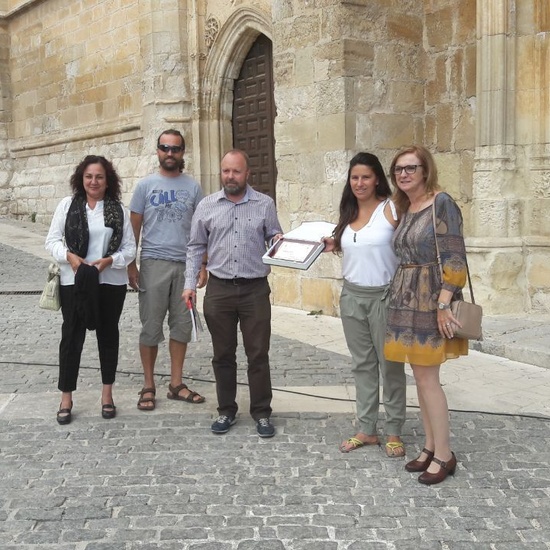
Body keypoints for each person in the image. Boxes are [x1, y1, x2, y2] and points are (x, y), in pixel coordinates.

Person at [182, 149, 283, 438]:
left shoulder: (264, 204)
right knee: (223, 354)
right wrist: (190, 284)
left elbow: (274, 236)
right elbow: (195, 248)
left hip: (254, 290)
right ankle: (226, 410)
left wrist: (278, 241)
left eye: (236, 171)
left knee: (258, 353)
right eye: (226, 171)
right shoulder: (207, 206)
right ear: (221, 173)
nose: (230, 176)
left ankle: (262, 413)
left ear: (247, 174)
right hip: (220, 289)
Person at [384, 145, 469, 485]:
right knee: (419, 378)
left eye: (410, 168)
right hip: (405, 301)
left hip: (432, 300)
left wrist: (445, 302)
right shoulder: (405, 207)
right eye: (398, 169)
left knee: (428, 379)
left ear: (425, 170)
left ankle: (445, 455)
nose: (404, 174)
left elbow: (455, 254)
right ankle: (431, 446)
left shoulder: (441, 202)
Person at [323, 152, 406, 457]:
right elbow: (354, 246)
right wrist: (335, 243)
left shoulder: (392, 208)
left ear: (377, 179)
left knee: (391, 365)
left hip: (385, 297)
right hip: (352, 297)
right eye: (354, 177)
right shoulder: (348, 212)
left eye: (365, 177)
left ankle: (395, 429)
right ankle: (367, 429)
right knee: (362, 365)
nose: (359, 183)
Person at [45, 155, 136, 424]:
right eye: (89, 176)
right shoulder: (67, 206)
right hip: (75, 282)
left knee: (108, 336)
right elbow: (51, 241)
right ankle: (66, 396)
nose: (93, 181)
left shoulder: (119, 210)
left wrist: (110, 261)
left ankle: (107, 394)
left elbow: (130, 249)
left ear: (108, 181)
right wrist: (70, 257)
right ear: (81, 179)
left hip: (110, 282)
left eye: (99, 177)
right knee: (71, 336)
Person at [128, 129, 207, 411]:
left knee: (181, 326)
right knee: (150, 326)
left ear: (183, 152)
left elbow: (201, 230)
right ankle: (148, 384)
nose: (170, 153)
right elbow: (133, 229)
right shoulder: (145, 186)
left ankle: (176, 383)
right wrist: (131, 264)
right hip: (153, 263)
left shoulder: (193, 187)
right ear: (158, 150)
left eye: (175, 148)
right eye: (165, 148)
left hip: (185, 266)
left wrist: (203, 264)